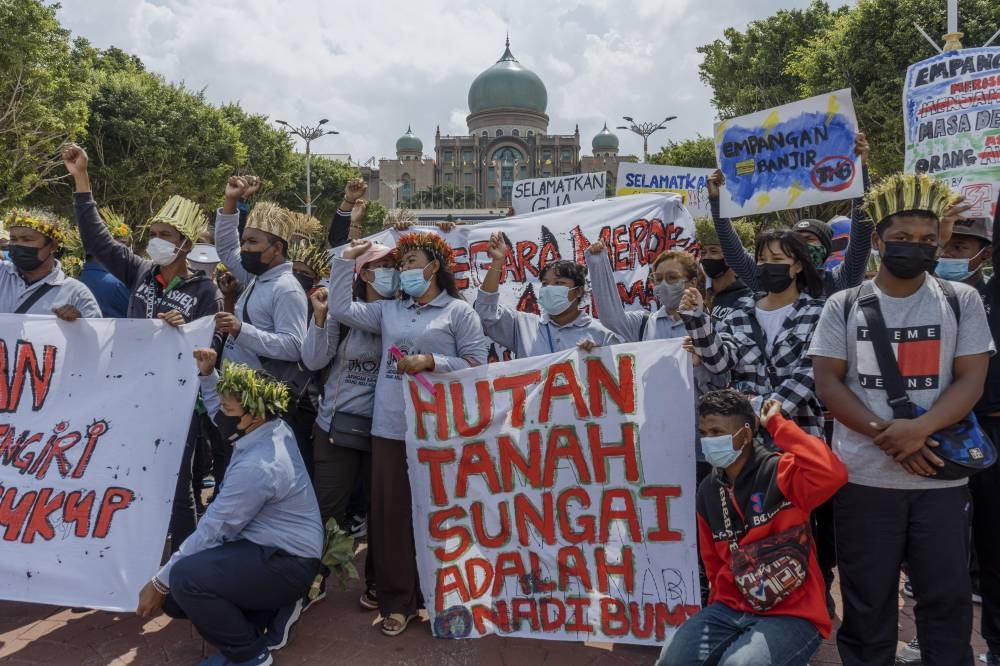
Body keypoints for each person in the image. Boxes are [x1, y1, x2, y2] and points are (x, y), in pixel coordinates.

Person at [809, 173, 994, 666]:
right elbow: (828, 382)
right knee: (867, 603)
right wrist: (888, 436)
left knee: (946, 600)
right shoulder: (842, 305)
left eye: (928, 240)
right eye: (903, 239)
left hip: (941, 482)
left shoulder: (962, 300)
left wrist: (920, 429)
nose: (916, 248)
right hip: (864, 481)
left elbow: (970, 379)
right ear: (877, 241)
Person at [64, 143, 223, 550]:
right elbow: (97, 240)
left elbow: (213, 347)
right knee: (122, 478)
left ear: (185, 244)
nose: (155, 242)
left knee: (177, 491)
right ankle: (126, 558)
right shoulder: (139, 272)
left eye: (165, 236)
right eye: (152, 235)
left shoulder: (206, 291)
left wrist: (182, 330)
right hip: (130, 396)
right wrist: (81, 179)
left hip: (178, 405)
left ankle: (179, 571)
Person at [329, 234, 489, 637]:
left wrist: (432, 361)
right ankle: (397, 602)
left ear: (433, 268)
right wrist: (345, 261)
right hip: (390, 428)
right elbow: (341, 308)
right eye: (400, 264)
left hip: (440, 433)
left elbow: (477, 364)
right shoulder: (387, 311)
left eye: (411, 261)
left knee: (440, 516)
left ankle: (440, 596)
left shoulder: (458, 312)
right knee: (391, 518)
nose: (403, 270)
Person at [137, 350, 323, 666]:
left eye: (229, 408)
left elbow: (214, 529)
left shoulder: (260, 466)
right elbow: (217, 408)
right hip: (273, 549)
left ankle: (250, 655)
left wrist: (160, 581)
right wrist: (209, 375)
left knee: (183, 580)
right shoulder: (267, 425)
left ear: (255, 414)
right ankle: (265, 614)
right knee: (179, 593)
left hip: (287, 562)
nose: (221, 414)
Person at [656, 390, 847, 665]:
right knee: (672, 658)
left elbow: (833, 473)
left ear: (745, 435)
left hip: (794, 612)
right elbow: (712, 563)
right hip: (729, 607)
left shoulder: (782, 472)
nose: (708, 441)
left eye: (717, 432)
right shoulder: (708, 491)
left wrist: (778, 425)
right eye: (704, 433)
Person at [895, 208, 1000, 666]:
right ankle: (931, 638)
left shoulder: (991, 293)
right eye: (946, 243)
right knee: (935, 551)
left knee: (993, 548)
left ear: (985, 253)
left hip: (989, 430)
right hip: (932, 432)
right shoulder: (926, 294)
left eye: (962, 245)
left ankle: (995, 645)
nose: (952, 252)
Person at [301, 242, 397, 613]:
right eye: (380, 265)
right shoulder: (341, 314)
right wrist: (321, 319)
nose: (389, 270)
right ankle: (315, 578)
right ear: (364, 274)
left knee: (383, 513)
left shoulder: (402, 313)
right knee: (329, 510)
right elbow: (312, 359)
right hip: (335, 429)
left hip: (385, 431)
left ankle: (378, 583)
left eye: (393, 264)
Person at [680, 229, 827, 437]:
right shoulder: (740, 312)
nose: (767, 265)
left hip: (798, 436)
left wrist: (758, 412)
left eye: (777, 259)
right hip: (747, 441)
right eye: (761, 259)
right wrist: (697, 317)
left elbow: (807, 375)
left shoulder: (818, 313)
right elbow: (719, 362)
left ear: (798, 266)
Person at [707, 133, 873, 299]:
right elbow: (734, 254)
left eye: (809, 238)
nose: (801, 245)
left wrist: (861, 171)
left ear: (825, 249)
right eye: (796, 240)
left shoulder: (838, 282)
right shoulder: (769, 282)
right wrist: (717, 201)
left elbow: (862, 238)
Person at [213, 179, 307, 377]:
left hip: (258, 398)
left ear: (277, 249)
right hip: (233, 393)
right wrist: (231, 199)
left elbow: (294, 346)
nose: (245, 247)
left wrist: (241, 330)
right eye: (244, 241)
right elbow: (228, 248)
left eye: (253, 242)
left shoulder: (287, 289)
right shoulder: (256, 276)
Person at [476, 232, 619, 356]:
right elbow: (486, 313)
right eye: (545, 283)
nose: (550, 288)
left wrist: (600, 357)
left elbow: (622, 374)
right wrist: (497, 262)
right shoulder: (523, 326)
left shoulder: (601, 335)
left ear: (578, 290)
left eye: (559, 283)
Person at [0, 209, 101, 319]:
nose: (18, 245)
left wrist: (79, 323)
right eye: (13, 239)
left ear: (52, 246)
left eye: (27, 240)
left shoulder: (76, 293)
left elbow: (95, 333)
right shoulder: (2, 273)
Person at [694, 216, 754, 321]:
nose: (706, 257)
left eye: (714, 251)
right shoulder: (700, 294)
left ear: (732, 257)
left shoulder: (748, 296)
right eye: (703, 252)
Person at [77, 208, 131, 318]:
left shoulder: (77, 279)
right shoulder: (115, 284)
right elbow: (140, 317)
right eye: (122, 243)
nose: (125, 250)